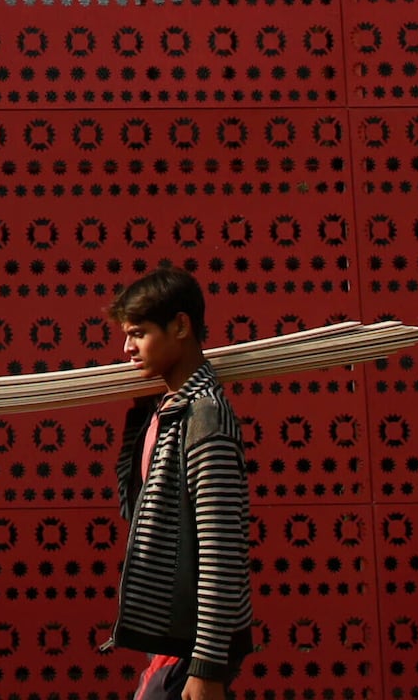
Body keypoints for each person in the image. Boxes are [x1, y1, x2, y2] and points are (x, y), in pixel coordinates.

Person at [109, 265, 250, 700]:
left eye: (139, 333)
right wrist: (138, 415)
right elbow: (136, 510)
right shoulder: (167, 410)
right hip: (174, 640)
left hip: (197, 645)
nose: (127, 346)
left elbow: (221, 548)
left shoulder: (204, 416)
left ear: (181, 326)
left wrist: (206, 667)